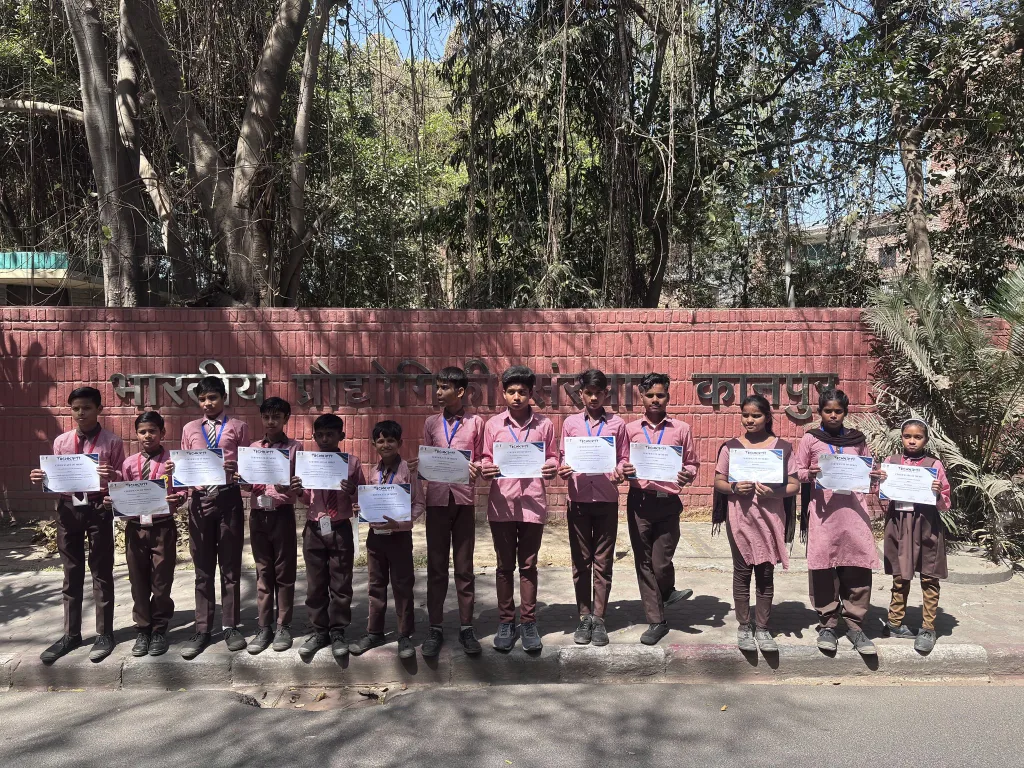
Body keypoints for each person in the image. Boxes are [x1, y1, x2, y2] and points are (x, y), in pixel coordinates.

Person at [30, 386, 125, 664]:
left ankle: (104, 633)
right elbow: (57, 476)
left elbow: (123, 477)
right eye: (75, 409)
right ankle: (71, 634)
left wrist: (112, 474)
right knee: (71, 572)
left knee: (101, 570)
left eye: (86, 408)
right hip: (68, 508)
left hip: (98, 509)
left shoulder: (112, 442)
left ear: (99, 410)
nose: (80, 413)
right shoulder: (61, 442)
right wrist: (42, 477)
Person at [795, 387, 882, 656]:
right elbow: (797, 471)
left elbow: (870, 471)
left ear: (845, 412)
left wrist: (877, 476)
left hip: (854, 513)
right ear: (819, 411)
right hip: (824, 514)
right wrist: (810, 473)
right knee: (823, 566)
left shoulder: (857, 439)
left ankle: (855, 624)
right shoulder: (811, 439)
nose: (833, 415)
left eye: (838, 411)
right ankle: (828, 624)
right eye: (828, 411)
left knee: (857, 565)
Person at [480, 366, 559, 652]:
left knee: (528, 566)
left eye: (522, 392)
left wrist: (551, 467)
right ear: (503, 393)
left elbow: (553, 457)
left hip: (532, 504)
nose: (517, 397)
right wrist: (486, 468)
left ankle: (528, 622)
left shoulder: (544, 425)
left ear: (531, 394)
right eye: (511, 391)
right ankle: (505, 621)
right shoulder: (493, 425)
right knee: (504, 566)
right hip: (501, 503)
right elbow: (485, 457)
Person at [711, 395, 799, 653]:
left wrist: (774, 492)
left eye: (756, 415)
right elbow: (718, 481)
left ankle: (762, 627)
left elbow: (794, 485)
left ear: (767, 417)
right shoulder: (731, 448)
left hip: (771, 519)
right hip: (740, 517)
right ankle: (743, 625)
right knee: (741, 572)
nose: (750, 420)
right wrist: (734, 487)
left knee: (765, 573)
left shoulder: (782, 448)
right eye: (745, 415)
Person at [620, 373, 698, 646]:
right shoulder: (630, 429)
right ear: (641, 397)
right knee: (643, 562)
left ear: (668, 397)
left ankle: (667, 590)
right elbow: (621, 460)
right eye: (650, 395)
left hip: (668, 502)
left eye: (660, 395)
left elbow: (692, 463)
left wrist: (688, 474)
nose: (655, 400)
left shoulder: (681, 429)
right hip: (639, 501)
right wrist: (624, 469)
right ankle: (657, 622)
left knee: (661, 561)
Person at [178, 375, 252, 659]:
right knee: (203, 568)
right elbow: (185, 467)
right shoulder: (190, 429)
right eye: (202, 399)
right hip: (199, 501)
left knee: (230, 567)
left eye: (213, 398)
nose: (207, 403)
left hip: (228, 498)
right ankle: (202, 628)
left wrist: (238, 471)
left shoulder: (238, 427)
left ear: (223, 398)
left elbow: (248, 470)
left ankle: (230, 626)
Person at [104, 411, 186, 658]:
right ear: (136, 435)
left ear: (162, 433)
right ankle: (143, 629)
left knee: (161, 580)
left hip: (163, 527)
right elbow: (123, 491)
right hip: (136, 528)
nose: (147, 436)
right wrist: (113, 501)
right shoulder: (129, 463)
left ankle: (159, 629)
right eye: (142, 432)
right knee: (138, 581)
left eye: (152, 431)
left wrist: (178, 498)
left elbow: (183, 489)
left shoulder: (173, 461)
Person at [557, 368, 628, 646]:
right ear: (581, 394)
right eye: (588, 393)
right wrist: (563, 469)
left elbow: (623, 457)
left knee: (603, 561)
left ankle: (599, 618)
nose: (594, 398)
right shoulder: (571, 423)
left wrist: (620, 472)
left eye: (599, 393)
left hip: (607, 500)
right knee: (580, 561)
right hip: (578, 501)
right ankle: (583, 616)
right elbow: (563, 456)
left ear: (606, 393)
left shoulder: (617, 424)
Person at [420, 366, 486, 657]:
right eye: (437, 387)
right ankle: (435, 627)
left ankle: (466, 627)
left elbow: (483, 456)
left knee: (464, 567)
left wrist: (477, 467)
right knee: (436, 567)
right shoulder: (431, 423)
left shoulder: (476, 423)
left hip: (463, 501)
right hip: (436, 501)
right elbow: (428, 455)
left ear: (460, 391)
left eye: (444, 387)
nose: (438, 392)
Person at [349, 420, 426, 659]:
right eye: (381, 441)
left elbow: (419, 503)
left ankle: (404, 635)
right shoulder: (373, 472)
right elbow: (368, 501)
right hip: (376, 538)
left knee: (402, 586)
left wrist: (402, 523)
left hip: (399, 537)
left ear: (400, 443)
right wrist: (360, 508)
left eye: (390, 440)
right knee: (375, 585)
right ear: (374, 444)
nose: (386, 445)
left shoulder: (408, 471)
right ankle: (375, 632)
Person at [295, 414, 365, 661]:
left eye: (330, 435)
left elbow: (363, 496)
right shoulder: (308, 463)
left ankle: (338, 631)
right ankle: (319, 631)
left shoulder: (352, 463)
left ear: (341, 436)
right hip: (315, 528)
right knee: (315, 584)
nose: (325, 439)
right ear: (314, 436)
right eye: (321, 435)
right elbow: (307, 499)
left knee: (341, 583)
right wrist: (298, 491)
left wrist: (353, 491)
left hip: (340, 527)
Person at [879, 418, 951, 654]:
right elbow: (881, 496)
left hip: (926, 525)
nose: (912, 441)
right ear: (901, 438)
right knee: (900, 575)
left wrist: (937, 492)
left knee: (929, 576)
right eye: (907, 436)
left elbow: (945, 502)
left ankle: (928, 628)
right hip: (899, 523)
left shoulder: (934, 465)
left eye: (917, 437)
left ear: (926, 440)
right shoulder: (891, 463)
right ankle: (894, 622)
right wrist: (882, 482)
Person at [245, 397, 302, 655]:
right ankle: (264, 626)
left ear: (286, 419)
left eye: (276, 417)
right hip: (258, 515)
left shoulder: (295, 448)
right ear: (262, 418)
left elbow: (300, 485)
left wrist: (287, 487)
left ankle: (283, 626)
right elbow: (248, 485)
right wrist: (244, 482)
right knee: (263, 572)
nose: (271, 421)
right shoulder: (253, 448)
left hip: (282, 514)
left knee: (284, 572)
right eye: (267, 417)